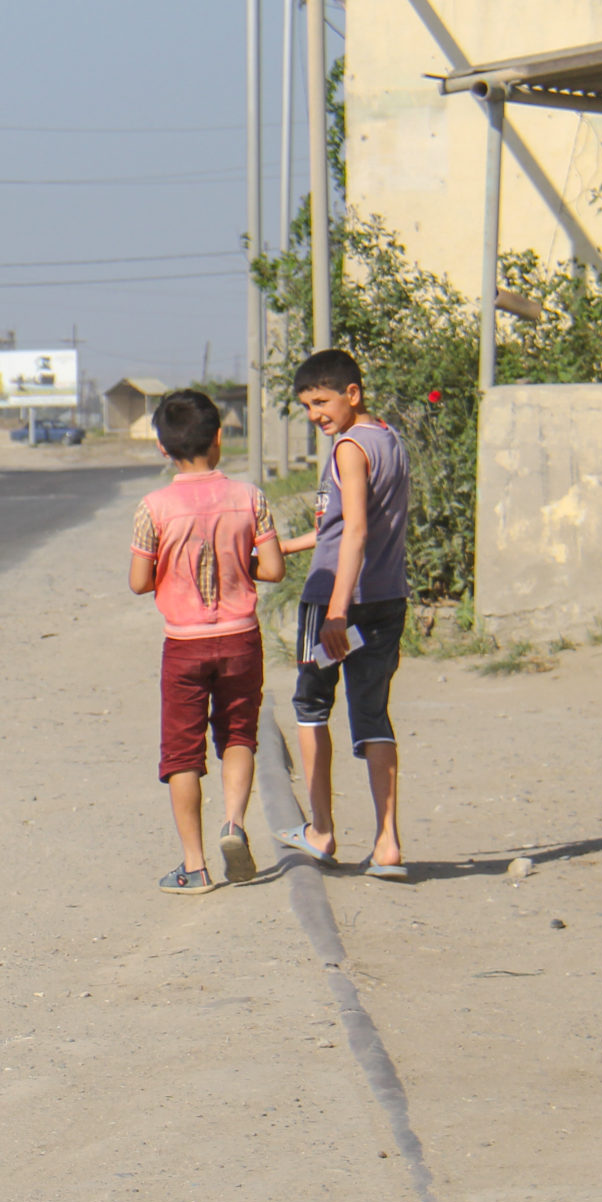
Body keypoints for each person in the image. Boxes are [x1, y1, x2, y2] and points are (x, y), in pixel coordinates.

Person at [128, 388, 285, 895]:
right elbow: (275, 569)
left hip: (185, 645)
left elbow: (138, 581)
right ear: (219, 438)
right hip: (241, 638)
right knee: (238, 734)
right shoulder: (250, 497)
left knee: (182, 754)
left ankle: (194, 866)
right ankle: (235, 825)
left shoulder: (153, 508)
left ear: (161, 447)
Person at [275, 348, 413, 880]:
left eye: (322, 401)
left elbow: (354, 530)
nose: (315, 414)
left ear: (351, 394)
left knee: (311, 705)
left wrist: (334, 612)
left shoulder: (349, 448)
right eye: (307, 405)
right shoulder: (388, 439)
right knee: (373, 715)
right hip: (387, 598)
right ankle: (388, 845)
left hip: (339, 602)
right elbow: (343, 525)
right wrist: (287, 547)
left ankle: (321, 831)